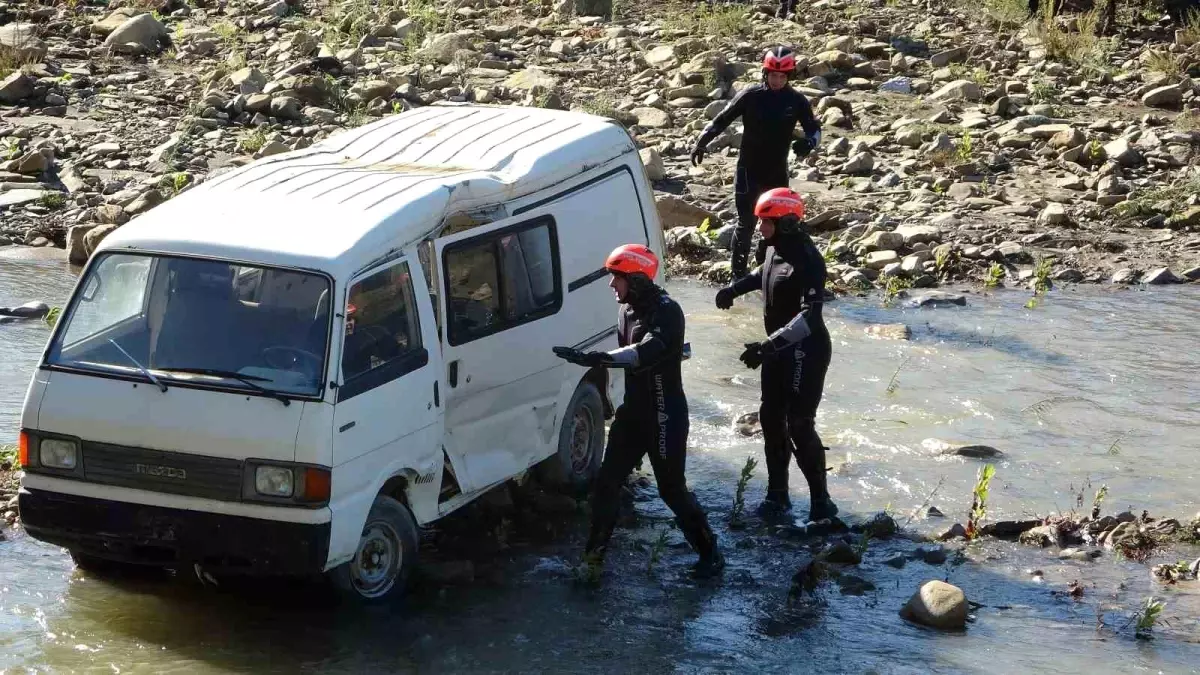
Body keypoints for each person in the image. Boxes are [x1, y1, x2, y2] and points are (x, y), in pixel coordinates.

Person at [553, 244, 724, 579]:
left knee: (671, 490)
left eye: (617, 278)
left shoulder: (668, 311)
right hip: (633, 413)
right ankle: (593, 561)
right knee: (606, 484)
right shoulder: (626, 309)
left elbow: (646, 352)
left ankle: (711, 554)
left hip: (665, 415)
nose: (611, 285)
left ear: (637, 278)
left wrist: (598, 359)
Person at [713, 188, 838, 523]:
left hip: (805, 352)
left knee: (799, 425)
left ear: (785, 221)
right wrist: (734, 289)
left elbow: (810, 317)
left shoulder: (808, 259)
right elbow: (765, 273)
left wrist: (768, 346)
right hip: (777, 350)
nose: (759, 228)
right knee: (770, 419)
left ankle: (821, 505)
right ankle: (777, 497)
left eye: (765, 221)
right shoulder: (773, 248)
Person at [689, 46, 822, 279]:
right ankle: (737, 276)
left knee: (777, 225)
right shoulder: (751, 95)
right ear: (765, 73)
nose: (777, 80)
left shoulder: (796, 100)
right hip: (748, 170)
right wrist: (702, 141)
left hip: (777, 172)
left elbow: (814, 129)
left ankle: (767, 269)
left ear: (789, 76)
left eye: (782, 76)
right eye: (773, 75)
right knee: (747, 222)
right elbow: (722, 120)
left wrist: (809, 143)